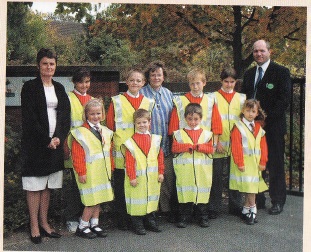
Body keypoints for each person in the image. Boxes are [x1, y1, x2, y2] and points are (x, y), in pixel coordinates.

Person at [21, 48, 71, 244]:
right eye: (45, 63)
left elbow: (65, 114)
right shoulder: (30, 88)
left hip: (55, 144)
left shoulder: (59, 88)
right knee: (35, 186)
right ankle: (34, 226)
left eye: (52, 64)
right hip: (36, 145)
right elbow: (30, 118)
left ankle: (45, 224)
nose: (49, 67)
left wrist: (58, 137)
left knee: (48, 186)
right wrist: (46, 139)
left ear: (55, 66)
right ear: (38, 65)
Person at [241, 39, 291, 215]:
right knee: (254, 163)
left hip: (273, 126)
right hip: (252, 128)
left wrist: (265, 118)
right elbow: (244, 99)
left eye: (262, 51)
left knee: (275, 163)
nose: (259, 54)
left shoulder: (281, 72)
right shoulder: (249, 74)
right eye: (255, 51)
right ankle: (258, 199)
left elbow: (284, 100)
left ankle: (277, 201)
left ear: (269, 51)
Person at [106, 69, 155, 230]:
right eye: (132, 80)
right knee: (121, 187)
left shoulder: (149, 102)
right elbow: (110, 126)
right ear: (126, 82)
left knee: (141, 186)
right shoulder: (117, 100)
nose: (135, 83)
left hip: (142, 154)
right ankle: (123, 219)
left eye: (138, 80)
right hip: (122, 151)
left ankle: (143, 218)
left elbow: (150, 127)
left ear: (143, 83)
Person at [70, 98, 114, 239]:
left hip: (102, 171)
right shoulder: (80, 133)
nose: (96, 117)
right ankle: (82, 226)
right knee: (91, 200)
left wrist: (111, 167)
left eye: (98, 113)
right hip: (88, 173)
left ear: (102, 114)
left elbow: (109, 151)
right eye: (92, 114)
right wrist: (81, 172)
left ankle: (94, 224)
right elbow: (77, 155)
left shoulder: (106, 131)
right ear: (86, 115)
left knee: (99, 198)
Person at [140, 61, 176, 221]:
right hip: (148, 146)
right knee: (150, 179)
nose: (156, 77)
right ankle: (151, 212)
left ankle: (166, 211)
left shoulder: (169, 94)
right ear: (148, 77)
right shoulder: (142, 93)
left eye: (159, 74)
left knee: (167, 178)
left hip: (166, 145)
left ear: (163, 77)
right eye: (153, 74)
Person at [208, 67, 246, 219]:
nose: (229, 84)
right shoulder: (213, 97)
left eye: (232, 82)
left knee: (234, 175)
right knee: (216, 176)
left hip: (236, 143)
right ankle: (214, 207)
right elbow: (210, 122)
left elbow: (244, 121)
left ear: (235, 82)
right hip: (218, 143)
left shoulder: (242, 98)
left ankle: (235, 206)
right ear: (221, 81)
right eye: (226, 81)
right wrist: (215, 141)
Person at [122, 109, 165, 235]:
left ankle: (150, 221)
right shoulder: (130, 142)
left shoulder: (156, 139)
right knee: (137, 202)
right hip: (137, 179)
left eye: (144, 122)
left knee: (151, 200)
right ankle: (137, 224)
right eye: (139, 123)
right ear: (134, 124)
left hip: (152, 178)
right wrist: (132, 177)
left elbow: (160, 157)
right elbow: (129, 162)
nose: (142, 125)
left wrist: (161, 172)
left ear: (149, 122)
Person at [172, 103, 214, 228]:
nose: (193, 122)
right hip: (185, 171)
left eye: (196, 119)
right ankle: (184, 217)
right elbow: (174, 148)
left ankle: (203, 217)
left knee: (202, 194)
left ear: (201, 119)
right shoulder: (178, 134)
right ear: (185, 118)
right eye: (190, 119)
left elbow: (211, 149)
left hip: (202, 172)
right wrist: (188, 146)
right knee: (185, 193)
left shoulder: (207, 134)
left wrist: (200, 147)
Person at [63, 67, 93, 232]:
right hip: (73, 147)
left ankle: (85, 217)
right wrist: (65, 146)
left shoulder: (92, 99)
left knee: (87, 183)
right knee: (75, 185)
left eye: (87, 81)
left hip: (89, 150)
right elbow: (64, 124)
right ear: (74, 82)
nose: (84, 85)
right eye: (81, 81)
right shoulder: (68, 98)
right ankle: (71, 217)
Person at [229, 99, 268, 225]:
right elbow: (236, 146)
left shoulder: (258, 127)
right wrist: (239, 162)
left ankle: (246, 210)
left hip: (255, 164)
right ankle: (253, 210)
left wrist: (263, 161)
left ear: (257, 113)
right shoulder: (238, 127)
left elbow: (264, 146)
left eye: (253, 111)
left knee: (251, 187)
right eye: (247, 111)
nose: (250, 114)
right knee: (251, 189)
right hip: (244, 164)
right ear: (243, 111)